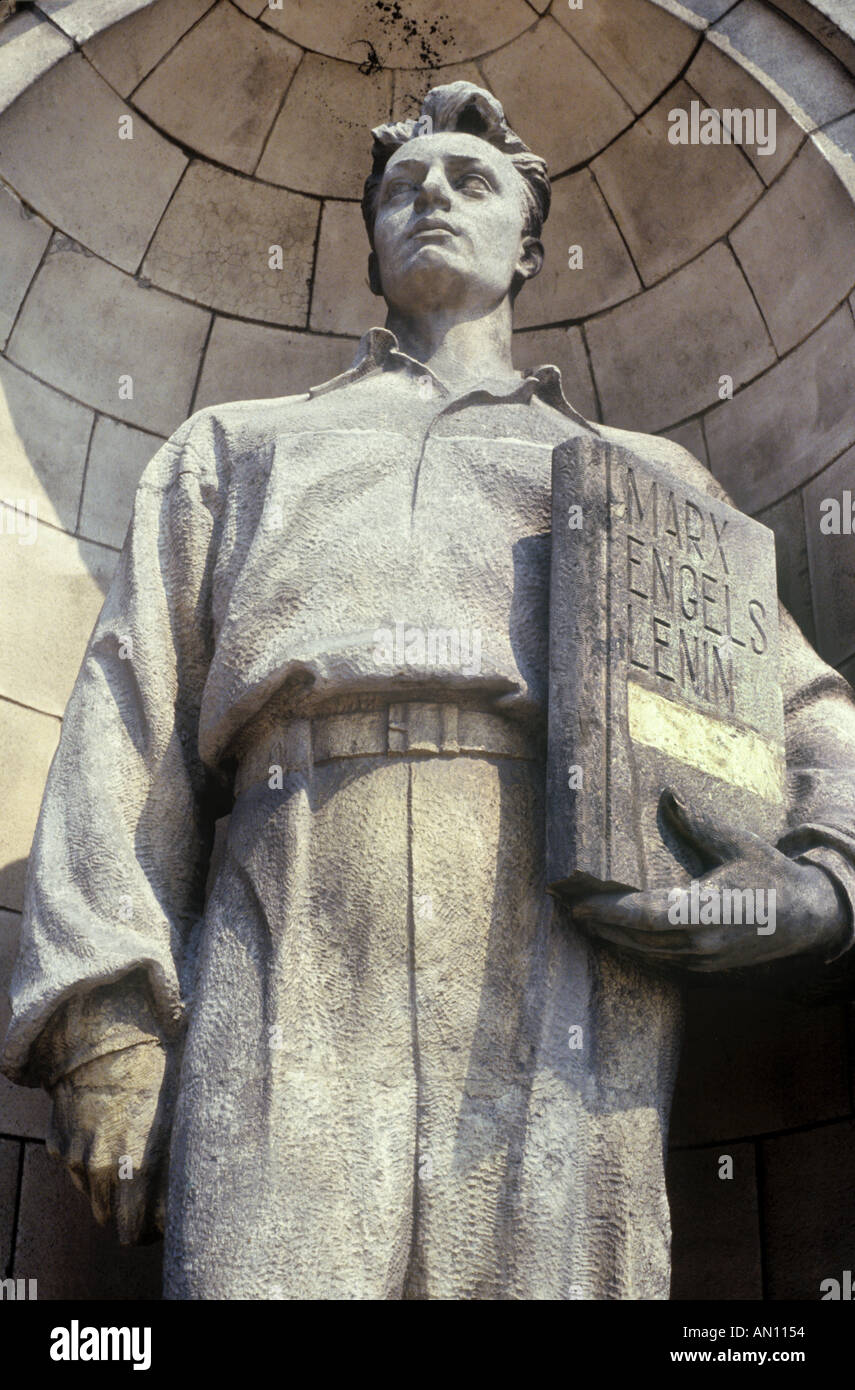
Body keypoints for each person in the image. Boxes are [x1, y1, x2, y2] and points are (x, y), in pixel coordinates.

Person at [4, 82, 855, 1300]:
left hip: (566, 937)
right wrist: (105, 1022)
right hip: (285, 906)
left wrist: (823, 878)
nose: (432, 198)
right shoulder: (235, 448)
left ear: (527, 246)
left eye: (471, 181)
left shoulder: (637, 474)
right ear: (371, 245)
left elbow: (805, 706)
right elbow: (127, 727)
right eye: (404, 187)